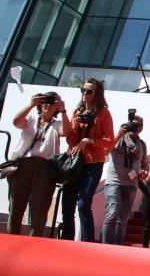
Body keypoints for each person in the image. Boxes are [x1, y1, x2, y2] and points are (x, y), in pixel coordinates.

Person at [6, 92, 69, 237]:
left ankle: (33, 245)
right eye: (45, 100)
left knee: (39, 210)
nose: (48, 104)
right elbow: (16, 122)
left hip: (45, 167)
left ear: (56, 107)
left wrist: (63, 110)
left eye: (52, 102)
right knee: (16, 206)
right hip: (23, 164)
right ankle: (10, 239)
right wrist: (31, 104)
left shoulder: (57, 124)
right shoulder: (31, 118)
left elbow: (66, 131)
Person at [61, 78, 114, 242]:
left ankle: (87, 242)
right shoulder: (77, 111)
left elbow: (110, 141)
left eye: (89, 91)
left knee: (83, 204)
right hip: (74, 162)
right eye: (83, 90)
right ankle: (66, 240)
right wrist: (75, 127)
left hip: (93, 163)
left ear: (97, 94)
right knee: (67, 204)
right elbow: (70, 141)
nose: (85, 94)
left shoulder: (103, 113)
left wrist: (89, 141)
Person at [101, 113, 147, 245]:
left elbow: (144, 163)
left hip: (131, 183)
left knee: (123, 218)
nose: (136, 127)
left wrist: (145, 172)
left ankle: (117, 247)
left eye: (139, 125)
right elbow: (105, 151)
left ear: (142, 128)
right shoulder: (119, 138)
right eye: (133, 123)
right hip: (114, 181)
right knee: (112, 212)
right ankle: (106, 246)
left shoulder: (142, 144)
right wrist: (118, 134)